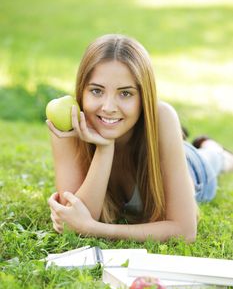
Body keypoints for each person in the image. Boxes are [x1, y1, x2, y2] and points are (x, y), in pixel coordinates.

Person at [46, 34, 233, 243]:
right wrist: (105, 148)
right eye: (97, 91)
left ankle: (213, 148)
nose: (108, 107)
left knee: (212, 159)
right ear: (82, 91)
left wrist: (95, 229)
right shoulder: (69, 124)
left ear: (143, 97)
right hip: (149, 139)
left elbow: (185, 231)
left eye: (125, 94)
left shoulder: (162, 115)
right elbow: (77, 219)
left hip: (191, 167)